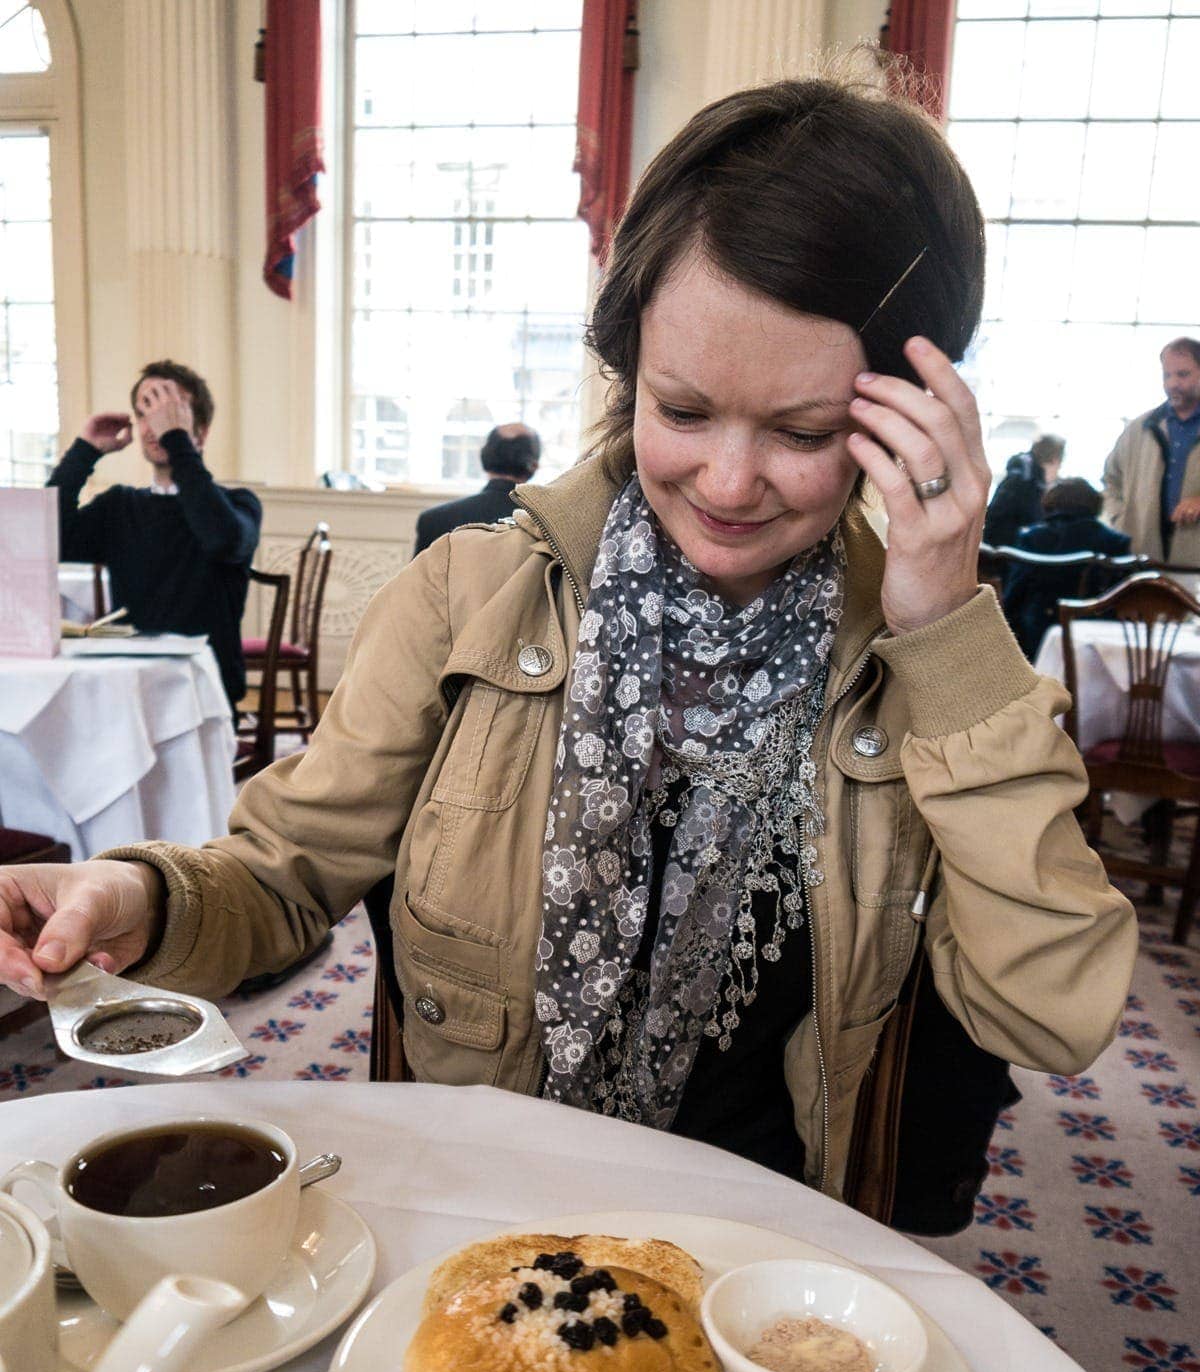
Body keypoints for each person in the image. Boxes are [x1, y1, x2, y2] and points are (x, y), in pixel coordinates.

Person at [0, 73, 1136, 1201]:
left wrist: (944, 638)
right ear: (626, 367)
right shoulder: (470, 598)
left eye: (804, 429)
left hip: (762, 1253)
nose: (729, 482)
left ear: (908, 413)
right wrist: (138, 897)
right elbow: (282, 877)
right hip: (479, 1208)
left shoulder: (928, 672)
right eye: (681, 410)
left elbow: (1045, 1013)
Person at [47, 359, 262, 715]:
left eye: (170, 411)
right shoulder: (120, 506)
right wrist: (84, 452)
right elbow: (49, 539)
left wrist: (178, 441)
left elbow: (221, 539)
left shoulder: (238, 504)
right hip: (129, 685)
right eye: (146, 412)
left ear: (202, 432)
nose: (155, 425)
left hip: (203, 690)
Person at [1000, 478, 1131, 661]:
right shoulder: (1115, 541)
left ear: (1051, 502)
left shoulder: (1032, 538)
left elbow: (1015, 593)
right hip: (1095, 639)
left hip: (1036, 636)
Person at [1103, 337, 1200, 564]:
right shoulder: (1139, 429)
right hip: (1142, 559)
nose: (1172, 384)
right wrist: (1121, 518)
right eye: (1167, 375)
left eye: (1183, 374)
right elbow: (1110, 480)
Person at [413, 423, 541, 556]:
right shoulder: (544, 525)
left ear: (483, 457)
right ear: (534, 466)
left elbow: (416, 576)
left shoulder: (434, 520)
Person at [982, 433, 1064, 548]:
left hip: (996, 547)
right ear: (1055, 461)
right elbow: (1033, 519)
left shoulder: (1020, 473)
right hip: (1010, 552)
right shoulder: (1028, 481)